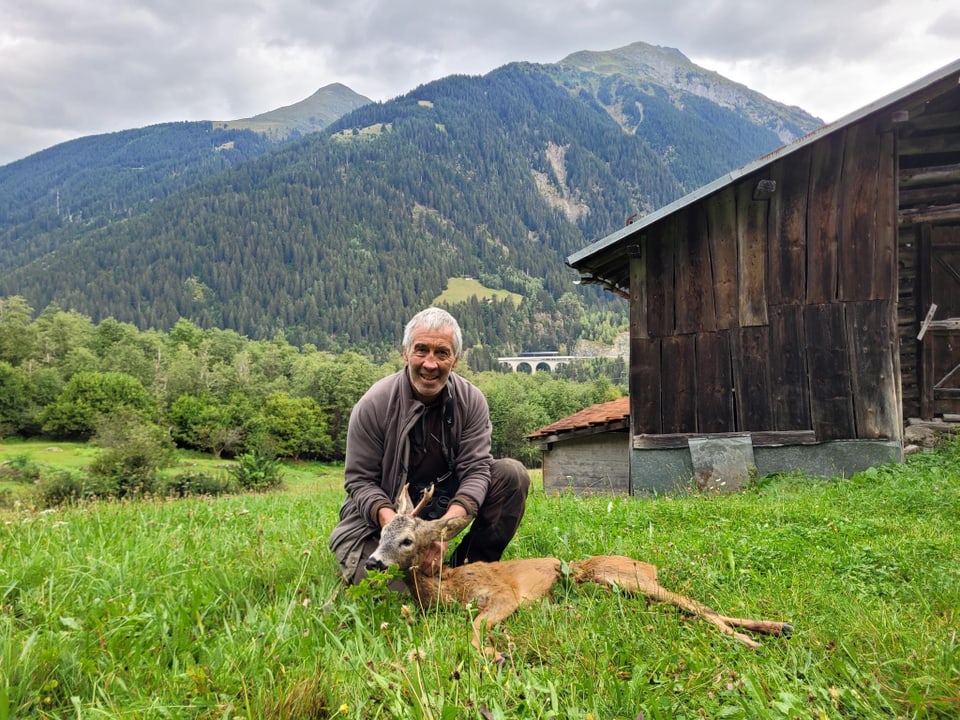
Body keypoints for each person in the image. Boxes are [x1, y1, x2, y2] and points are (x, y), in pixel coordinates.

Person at [329, 307, 530, 584]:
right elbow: (360, 482)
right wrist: (395, 528)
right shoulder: (373, 405)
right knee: (393, 594)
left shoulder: (471, 402)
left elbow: (476, 471)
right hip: (379, 523)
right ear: (405, 353)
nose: (430, 363)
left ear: (455, 359)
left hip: (440, 515)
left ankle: (469, 566)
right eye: (421, 350)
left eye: (442, 353)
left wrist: (441, 533)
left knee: (512, 475)